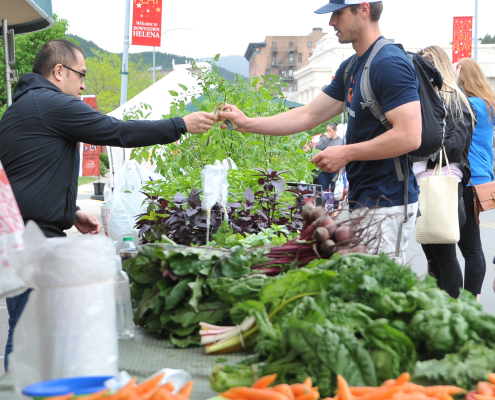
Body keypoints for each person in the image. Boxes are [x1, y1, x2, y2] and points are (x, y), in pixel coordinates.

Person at [0, 39, 217, 370]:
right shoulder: (52, 104)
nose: (84, 84)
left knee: (30, 327)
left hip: (22, 236)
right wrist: (180, 125)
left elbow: (23, 176)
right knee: (32, 331)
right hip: (35, 241)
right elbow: (117, 131)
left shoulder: (19, 109)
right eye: (80, 74)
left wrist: (69, 212)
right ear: (59, 71)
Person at [217, 0, 421, 263]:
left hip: (389, 203)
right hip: (365, 199)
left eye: (338, 13)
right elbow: (308, 114)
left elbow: (410, 135)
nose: (331, 22)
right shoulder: (352, 66)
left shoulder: (389, 64)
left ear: (363, 9)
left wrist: (345, 153)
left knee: (379, 292)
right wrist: (248, 123)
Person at [412, 46, 475, 298]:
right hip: (426, 181)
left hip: (442, 181)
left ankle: (451, 309)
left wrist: (421, 151)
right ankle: (442, 306)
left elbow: (456, 145)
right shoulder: (431, 96)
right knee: (433, 252)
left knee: (444, 253)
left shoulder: (456, 98)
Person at [456, 57, 495, 299]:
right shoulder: (488, 104)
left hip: (468, 179)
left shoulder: (469, 105)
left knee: (469, 247)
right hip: (481, 179)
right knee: (471, 244)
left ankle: (472, 299)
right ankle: (473, 297)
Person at [315, 122, 344, 191]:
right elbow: (317, 149)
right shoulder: (323, 139)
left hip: (335, 170)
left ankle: (335, 202)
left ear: (335, 130)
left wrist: (343, 169)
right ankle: (324, 202)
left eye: (330, 131)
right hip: (323, 170)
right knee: (324, 191)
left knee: (336, 190)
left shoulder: (341, 141)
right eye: (327, 130)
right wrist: (326, 138)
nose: (328, 132)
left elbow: (344, 155)